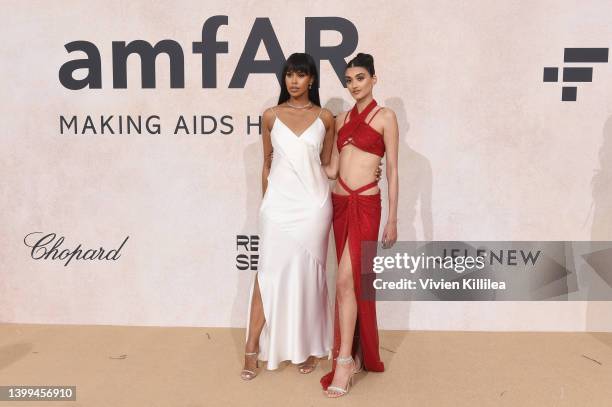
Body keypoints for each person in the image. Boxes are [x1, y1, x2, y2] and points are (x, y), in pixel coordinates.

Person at [241, 53, 335, 380]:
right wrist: (266, 202)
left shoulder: (326, 118)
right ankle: (251, 347)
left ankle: (306, 346)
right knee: (267, 273)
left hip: (313, 206)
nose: (294, 81)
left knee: (309, 277)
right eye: (289, 75)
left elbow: (326, 164)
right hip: (278, 206)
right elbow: (266, 163)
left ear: (312, 80)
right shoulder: (270, 116)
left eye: (301, 75)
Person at [320, 53, 399, 397]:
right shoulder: (340, 120)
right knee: (345, 284)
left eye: (360, 78)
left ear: (374, 79)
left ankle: (344, 362)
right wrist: (297, 158)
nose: (354, 85)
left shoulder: (386, 117)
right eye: (349, 80)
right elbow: (333, 170)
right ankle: (349, 353)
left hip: (366, 204)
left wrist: (393, 218)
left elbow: (393, 169)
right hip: (339, 203)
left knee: (345, 279)